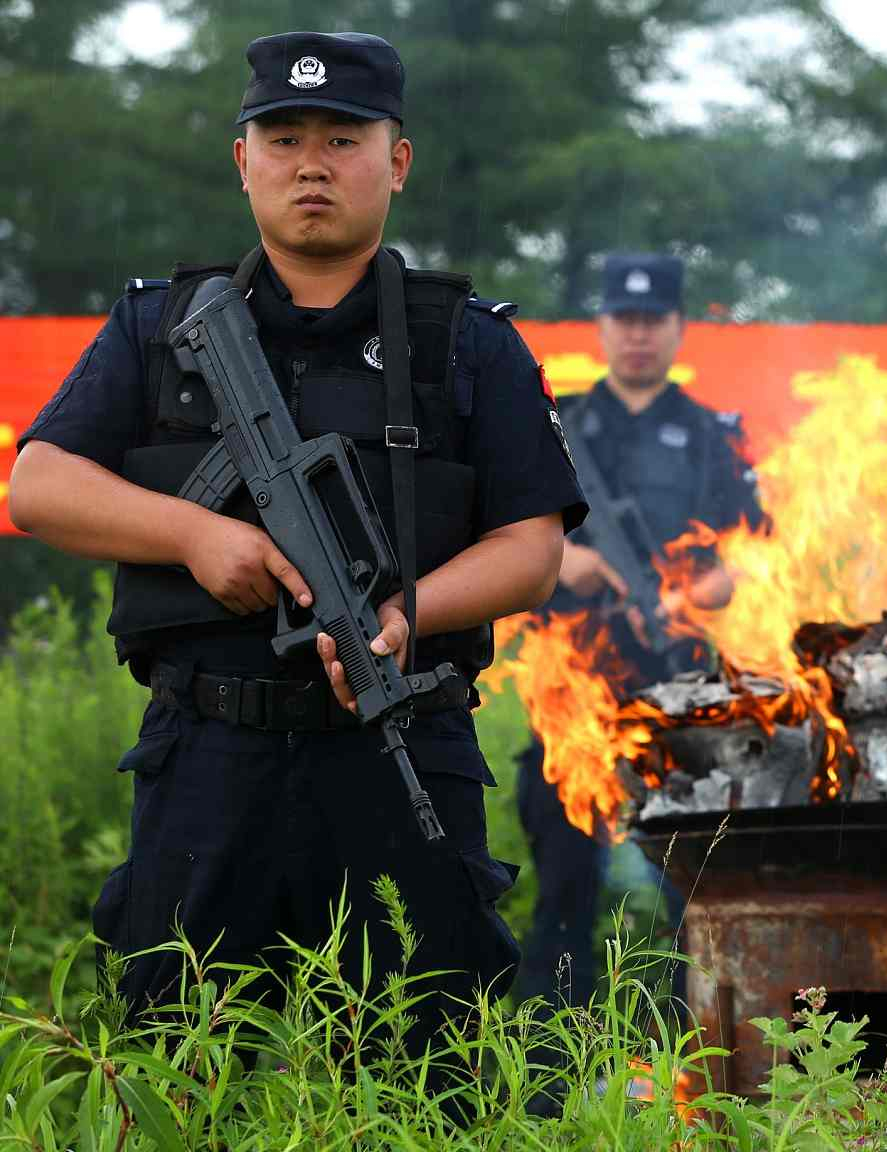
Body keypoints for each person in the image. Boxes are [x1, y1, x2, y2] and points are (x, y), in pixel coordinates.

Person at [8, 31, 586, 1051]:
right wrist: (192, 535)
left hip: (400, 752)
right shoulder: (159, 327)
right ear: (243, 161)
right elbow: (38, 483)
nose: (311, 163)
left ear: (396, 162)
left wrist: (410, 617)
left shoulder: (465, 343)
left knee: (426, 1068)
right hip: (207, 760)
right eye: (281, 138)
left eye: (342, 138)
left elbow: (531, 546)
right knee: (181, 1060)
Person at [513, 250, 762, 1007]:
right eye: (625, 319)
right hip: (574, 691)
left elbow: (754, 545)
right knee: (564, 889)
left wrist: (699, 590)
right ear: (602, 327)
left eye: (654, 321)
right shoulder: (557, 426)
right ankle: (554, 1065)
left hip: (679, 688)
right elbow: (509, 535)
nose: (639, 336)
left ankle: (708, 1058)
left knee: (696, 889)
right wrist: (569, 564)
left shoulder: (710, 433)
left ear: (680, 329)